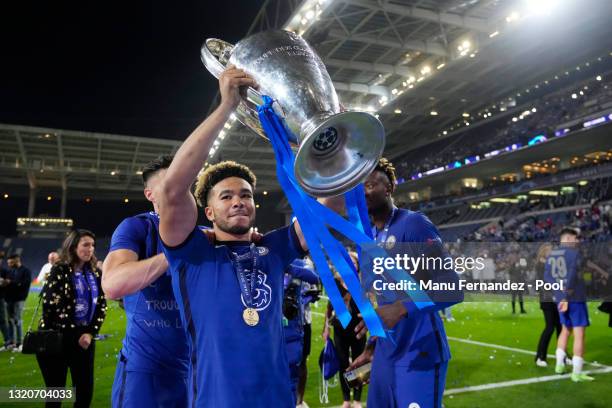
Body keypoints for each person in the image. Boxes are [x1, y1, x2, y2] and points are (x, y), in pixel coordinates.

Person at [157, 66, 336, 407]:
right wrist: (226, 107)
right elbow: (172, 189)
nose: (239, 200)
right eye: (226, 196)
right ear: (207, 212)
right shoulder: (191, 254)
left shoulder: (275, 249)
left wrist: (332, 140)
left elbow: (330, 207)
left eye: (245, 195)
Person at [348, 158, 463, 408]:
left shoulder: (413, 224)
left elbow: (452, 286)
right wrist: (371, 349)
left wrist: (401, 308)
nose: (362, 191)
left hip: (419, 352)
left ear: (388, 188)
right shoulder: (368, 238)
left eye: (368, 185)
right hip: (384, 355)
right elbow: (382, 299)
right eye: (358, 187)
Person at [103, 155, 192, 408]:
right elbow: (112, 284)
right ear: (150, 194)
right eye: (168, 185)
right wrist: (171, 257)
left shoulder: (202, 235)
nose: (177, 191)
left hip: (197, 368)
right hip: (145, 371)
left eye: (183, 184)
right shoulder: (137, 227)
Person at [36, 230, 107, 407]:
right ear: (73, 246)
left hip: (85, 339)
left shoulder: (95, 273)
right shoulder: (59, 270)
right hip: (56, 338)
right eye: (85, 244)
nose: (90, 249)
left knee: (84, 393)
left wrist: (90, 333)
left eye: (92, 245)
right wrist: (77, 334)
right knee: (55, 394)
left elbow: (101, 306)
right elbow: (51, 306)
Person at [546, 228, 607, 382]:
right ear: (566, 238)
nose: (578, 241)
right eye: (575, 238)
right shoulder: (574, 254)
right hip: (574, 299)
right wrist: (566, 293)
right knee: (579, 334)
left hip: (560, 298)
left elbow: (547, 276)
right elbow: (572, 274)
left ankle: (559, 366)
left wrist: (559, 291)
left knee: (565, 331)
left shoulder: (552, 254)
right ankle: (576, 373)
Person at [322, 251, 365, 408]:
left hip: (358, 329)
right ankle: (346, 398)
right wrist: (325, 328)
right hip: (340, 329)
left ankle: (357, 399)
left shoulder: (362, 283)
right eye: (349, 262)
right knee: (343, 363)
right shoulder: (335, 283)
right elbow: (329, 308)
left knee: (359, 363)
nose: (352, 265)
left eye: (354, 263)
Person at [534, 243, 560, 367]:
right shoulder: (540, 265)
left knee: (561, 327)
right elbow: (542, 283)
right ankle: (540, 356)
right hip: (547, 300)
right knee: (550, 327)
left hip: (557, 299)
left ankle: (563, 356)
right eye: (550, 251)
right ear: (544, 252)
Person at [3, 254, 32, 351]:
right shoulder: (10, 271)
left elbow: (24, 284)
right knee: (10, 321)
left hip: (19, 299)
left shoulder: (25, 271)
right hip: (9, 299)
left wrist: (11, 282)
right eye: (8, 263)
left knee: (17, 320)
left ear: (16, 261)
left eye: (11, 263)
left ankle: (20, 342)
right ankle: (12, 342)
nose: (9, 265)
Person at [0, 251, 11, 349]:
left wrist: (3, 282)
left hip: (1, 298)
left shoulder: (4, 271)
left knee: (2, 320)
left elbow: (7, 282)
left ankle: (7, 340)